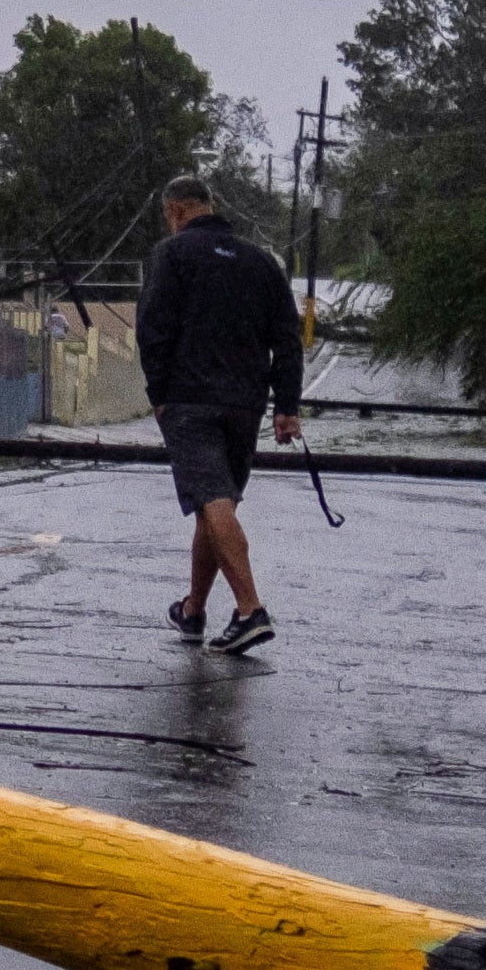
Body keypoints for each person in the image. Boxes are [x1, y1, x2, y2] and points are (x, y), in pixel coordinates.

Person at [135, 174, 305, 651]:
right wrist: (286, 407)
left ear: (174, 212)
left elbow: (152, 328)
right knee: (216, 506)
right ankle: (193, 611)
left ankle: (250, 609)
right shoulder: (261, 262)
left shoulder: (172, 255)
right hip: (244, 406)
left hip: (189, 402)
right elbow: (286, 339)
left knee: (213, 501)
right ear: (210, 206)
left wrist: (159, 396)